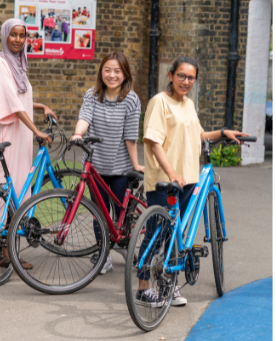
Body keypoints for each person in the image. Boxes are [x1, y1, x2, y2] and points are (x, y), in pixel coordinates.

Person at [136, 56, 249, 308]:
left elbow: (198, 134)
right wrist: (171, 172)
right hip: (165, 180)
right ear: (171, 75)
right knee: (156, 233)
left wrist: (222, 132)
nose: (186, 81)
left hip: (188, 178)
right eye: (181, 76)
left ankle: (169, 283)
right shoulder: (159, 102)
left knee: (176, 232)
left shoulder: (188, 104)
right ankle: (143, 289)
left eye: (190, 78)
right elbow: (153, 141)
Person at [0, 18, 57, 269]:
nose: (17, 40)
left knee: (12, 189)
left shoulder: (18, 65)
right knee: (4, 190)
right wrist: (37, 131)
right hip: (5, 136)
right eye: (13, 35)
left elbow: (19, 97)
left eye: (22, 35)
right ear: (5, 36)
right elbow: (11, 103)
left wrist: (40, 105)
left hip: (18, 135)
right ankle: (7, 251)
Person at [69, 51, 143, 276]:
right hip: (95, 166)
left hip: (120, 167)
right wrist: (78, 133)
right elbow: (85, 117)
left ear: (125, 74)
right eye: (107, 70)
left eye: (117, 71)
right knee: (99, 213)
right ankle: (103, 256)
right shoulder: (92, 95)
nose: (112, 75)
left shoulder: (131, 99)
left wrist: (135, 165)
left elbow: (130, 136)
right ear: (101, 72)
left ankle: (123, 244)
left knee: (121, 213)